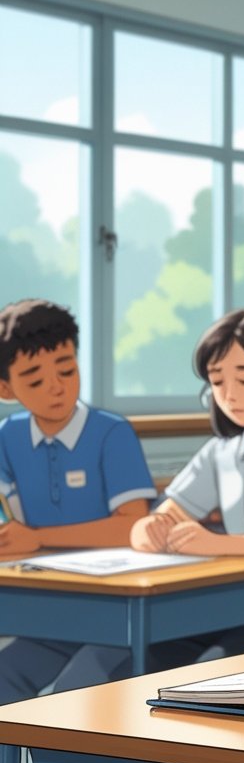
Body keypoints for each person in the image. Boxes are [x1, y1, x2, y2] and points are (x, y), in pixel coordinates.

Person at [54, 308, 244, 689]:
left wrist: (215, 543)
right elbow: (166, 513)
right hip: (221, 606)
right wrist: (149, 528)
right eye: (217, 381)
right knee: (97, 667)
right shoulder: (221, 452)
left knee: (204, 680)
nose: (230, 394)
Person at [0, 299, 155, 703]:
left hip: (118, 612)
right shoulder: (8, 436)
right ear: (5, 389)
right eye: (35, 380)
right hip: (54, 610)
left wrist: (37, 537)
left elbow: (132, 526)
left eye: (66, 370)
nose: (56, 387)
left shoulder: (111, 433)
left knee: (75, 692)